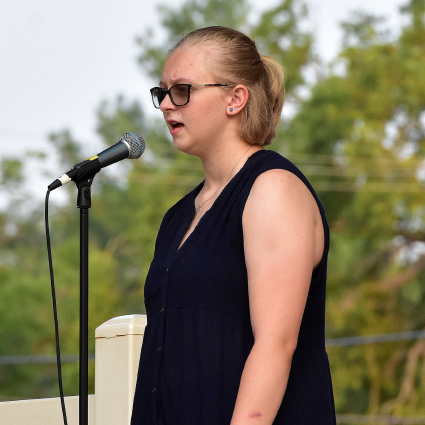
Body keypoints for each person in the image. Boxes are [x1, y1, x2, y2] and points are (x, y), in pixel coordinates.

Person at [131, 26, 336, 425]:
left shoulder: (272, 188)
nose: (167, 106)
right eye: (162, 93)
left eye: (183, 90)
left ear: (235, 98)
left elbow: (276, 345)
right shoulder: (178, 216)